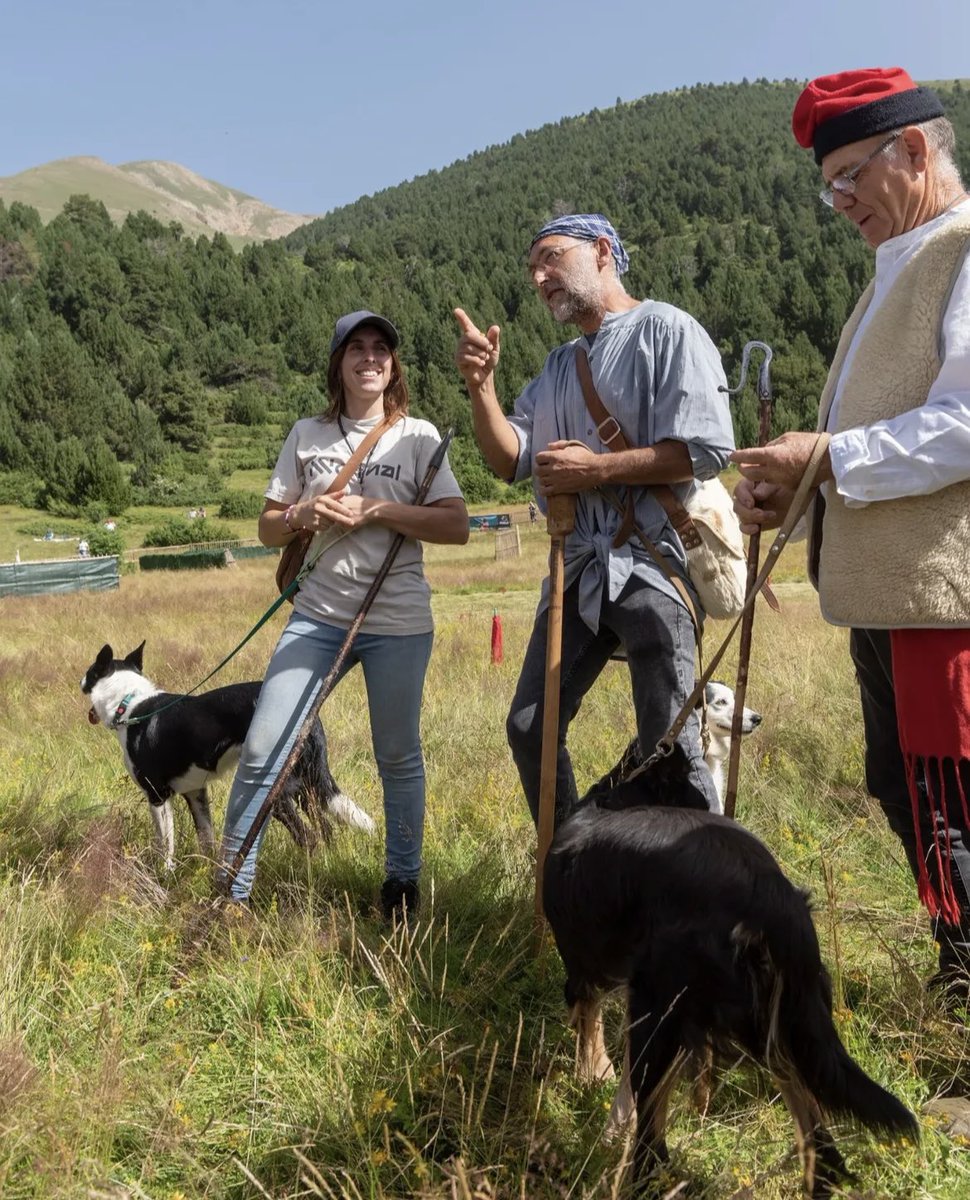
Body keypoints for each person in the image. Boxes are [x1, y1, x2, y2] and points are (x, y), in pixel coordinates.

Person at [731, 68, 970, 1000]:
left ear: (913, 150)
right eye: (827, 185)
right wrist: (791, 501)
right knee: (901, 785)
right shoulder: (900, 268)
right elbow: (871, 442)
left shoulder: (961, 252)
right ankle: (958, 975)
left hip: (941, 597)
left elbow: (962, 426)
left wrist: (823, 457)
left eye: (849, 178)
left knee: (950, 801)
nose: (838, 204)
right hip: (890, 593)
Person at [454, 214, 735, 825]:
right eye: (533, 267)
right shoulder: (559, 367)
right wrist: (482, 387)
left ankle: (695, 894)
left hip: (652, 564)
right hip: (578, 572)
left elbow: (707, 449)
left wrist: (598, 471)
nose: (538, 276)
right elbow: (511, 458)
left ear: (602, 251)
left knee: (671, 748)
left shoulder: (668, 331)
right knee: (530, 727)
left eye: (551, 258)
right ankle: (577, 867)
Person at [217, 310, 468, 919]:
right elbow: (269, 527)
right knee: (262, 747)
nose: (370, 358)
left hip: (398, 621)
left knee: (398, 756)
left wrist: (377, 510)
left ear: (393, 365)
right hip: (318, 617)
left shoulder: (419, 435)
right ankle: (231, 893)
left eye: (382, 348)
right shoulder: (307, 434)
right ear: (339, 363)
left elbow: (455, 525)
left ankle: (401, 886)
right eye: (357, 348)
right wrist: (304, 514)